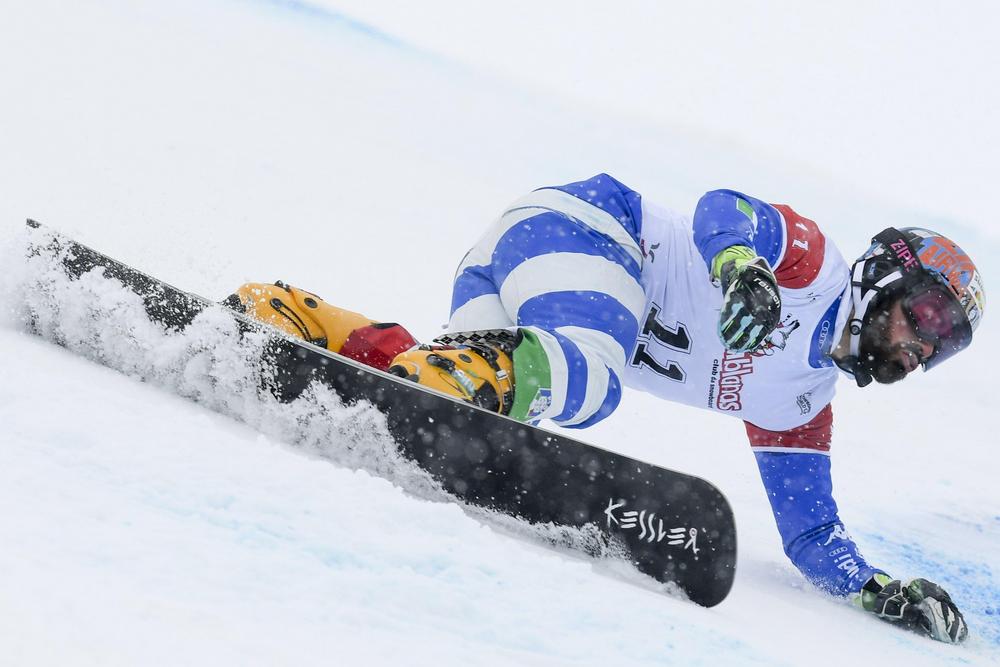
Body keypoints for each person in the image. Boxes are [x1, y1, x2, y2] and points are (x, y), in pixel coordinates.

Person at [229, 174, 984, 643]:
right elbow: (725, 207)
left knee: (468, 392)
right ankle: (442, 367)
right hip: (590, 227)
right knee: (591, 377)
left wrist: (875, 587)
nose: (922, 345)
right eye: (924, 316)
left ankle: (294, 319)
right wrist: (739, 264)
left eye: (942, 343)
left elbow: (812, 529)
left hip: (528, 263)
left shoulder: (801, 401)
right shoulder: (814, 268)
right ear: (887, 276)